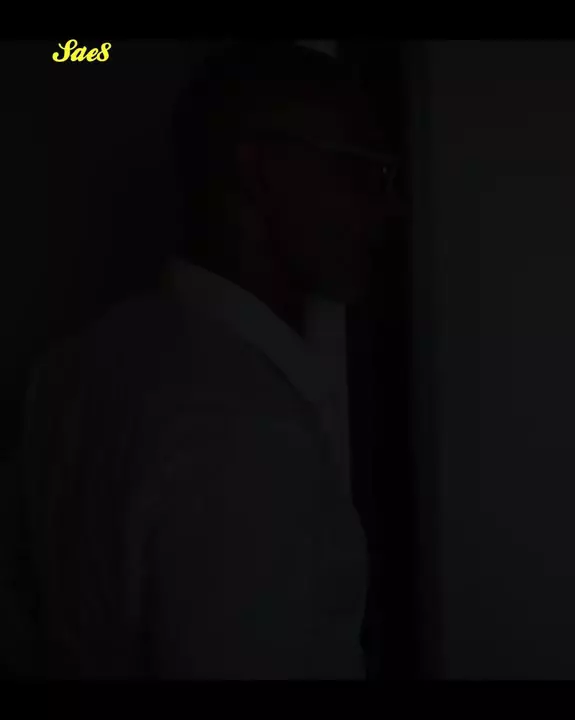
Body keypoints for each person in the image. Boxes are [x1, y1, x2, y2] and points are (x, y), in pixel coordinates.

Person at [17, 42, 398, 678]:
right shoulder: (245, 431)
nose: (389, 208)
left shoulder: (71, 369)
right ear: (260, 171)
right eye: (361, 171)